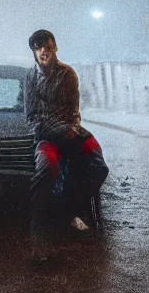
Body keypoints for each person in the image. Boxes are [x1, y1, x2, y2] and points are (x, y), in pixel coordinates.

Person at [24, 29, 109, 251]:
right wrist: (50, 130)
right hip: (46, 138)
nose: (44, 51)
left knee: (98, 165)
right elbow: (30, 118)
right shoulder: (30, 78)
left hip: (71, 133)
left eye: (48, 46)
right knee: (46, 171)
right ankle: (39, 235)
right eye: (38, 47)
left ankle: (67, 210)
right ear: (34, 51)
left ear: (55, 48)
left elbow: (74, 110)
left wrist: (71, 129)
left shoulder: (68, 74)